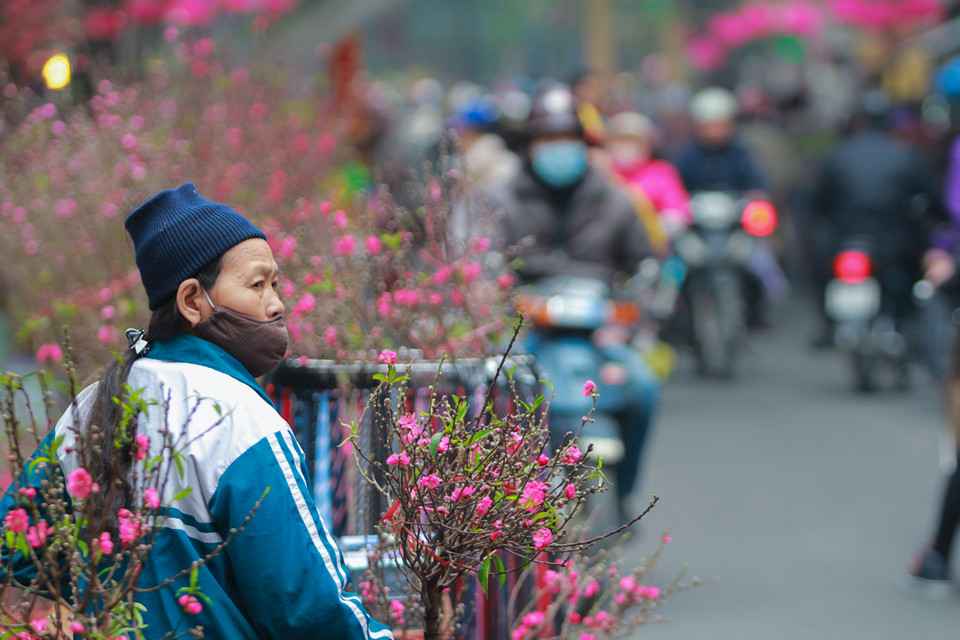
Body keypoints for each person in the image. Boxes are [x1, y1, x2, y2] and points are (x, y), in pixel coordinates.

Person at [0, 184, 391, 639]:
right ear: (191, 301)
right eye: (257, 284)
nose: (277, 303)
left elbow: (15, 546)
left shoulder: (90, 405)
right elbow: (306, 609)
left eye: (277, 284)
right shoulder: (243, 421)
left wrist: (111, 592)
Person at [480, 83, 659, 508]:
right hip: (525, 334)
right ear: (529, 147)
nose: (558, 150)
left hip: (601, 335)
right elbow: (480, 263)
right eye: (548, 141)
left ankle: (627, 491)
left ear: (585, 146)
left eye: (568, 141)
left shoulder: (616, 202)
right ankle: (496, 498)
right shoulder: (498, 200)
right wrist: (500, 306)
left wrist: (628, 321)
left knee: (645, 387)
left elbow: (648, 269)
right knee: (491, 391)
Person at [810, 90, 940, 345]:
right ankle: (905, 325)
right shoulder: (905, 155)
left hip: (847, 238)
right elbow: (930, 196)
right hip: (893, 242)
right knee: (910, 278)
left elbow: (819, 201)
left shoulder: (838, 154)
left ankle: (827, 328)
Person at [605, 110, 691, 245]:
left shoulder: (662, 172)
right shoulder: (603, 172)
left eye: (634, 141)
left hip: (652, 246)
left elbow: (677, 211)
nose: (628, 147)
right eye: (622, 140)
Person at [674, 87, 768, 196]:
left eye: (721, 124)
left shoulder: (742, 154)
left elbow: (756, 183)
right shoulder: (687, 156)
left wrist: (756, 195)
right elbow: (675, 188)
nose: (715, 130)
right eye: (710, 125)